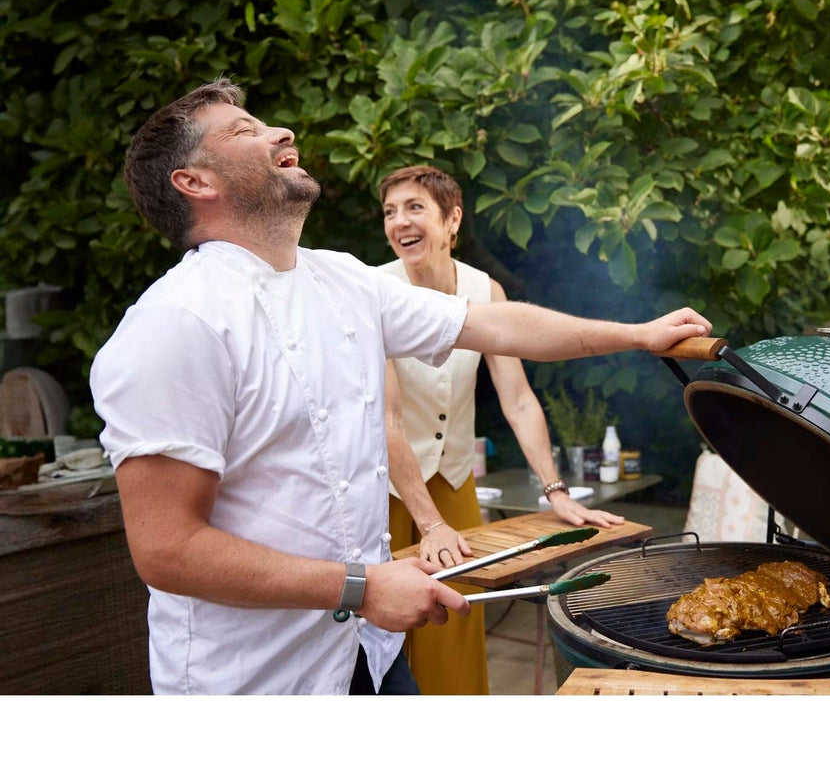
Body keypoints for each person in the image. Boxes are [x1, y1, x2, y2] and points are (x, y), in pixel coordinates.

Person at [88, 79, 711, 695]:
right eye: (245, 130)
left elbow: (491, 323)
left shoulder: (343, 279)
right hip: (256, 678)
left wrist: (637, 333)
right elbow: (168, 549)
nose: (282, 132)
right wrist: (360, 586)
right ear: (196, 182)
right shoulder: (175, 325)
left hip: (369, 655)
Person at [376, 164, 625, 694]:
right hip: (390, 493)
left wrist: (555, 493)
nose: (400, 222)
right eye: (390, 212)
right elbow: (386, 420)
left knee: (457, 623)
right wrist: (429, 523)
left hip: (455, 484)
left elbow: (516, 398)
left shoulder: (482, 289)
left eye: (415, 208)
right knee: (388, 637)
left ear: (452, 220)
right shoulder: (374, 290)